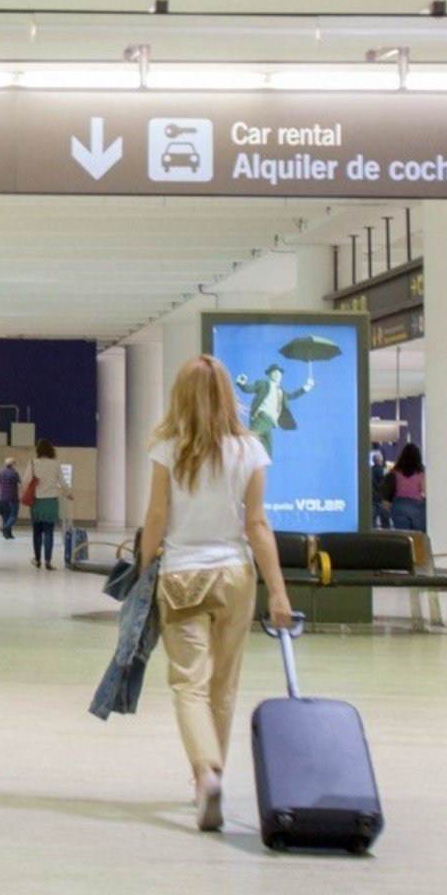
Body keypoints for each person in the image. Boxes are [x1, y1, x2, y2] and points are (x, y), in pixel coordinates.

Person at [139, 355, 295, 833]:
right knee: (222, 688)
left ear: (180, 396)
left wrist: (143, 569)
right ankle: (211, 777)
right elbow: (257, 525)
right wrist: (279, 594)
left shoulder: (167, 448)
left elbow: (158, 517)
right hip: (234, 576)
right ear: (229, 395)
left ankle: (204, 773)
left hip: (183, 576)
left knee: (188, 683)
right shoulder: (249, 451)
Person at [234, 364, 313, 458]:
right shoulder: (263, 384)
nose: (277, 375)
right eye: (274, 373)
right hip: (262, 417)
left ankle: (255, 467)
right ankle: (236, 452)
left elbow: (292, 395)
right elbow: (249, 388)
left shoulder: (281, 392)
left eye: (279, 374)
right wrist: (241, 383)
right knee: (251, 438)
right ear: (269, 375)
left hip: (271, 423)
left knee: (267, 454)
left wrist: (306, 387)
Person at [26, 439, 63, 570]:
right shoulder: (56, 464)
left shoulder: (33, 463)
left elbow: (26, 480)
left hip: (37, 501)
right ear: (51, 451)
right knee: (49, 532)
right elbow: (63, 483)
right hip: (51, 502)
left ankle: (37, 559)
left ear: (38, 450)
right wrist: (69, 494)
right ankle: (48, 560)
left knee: (37, 532)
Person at [389, 443, 428, 531]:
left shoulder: (396, 470)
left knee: (403, 535)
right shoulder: (421, 471)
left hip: (398, 504)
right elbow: (424, 490)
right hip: (416, 505)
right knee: (418, 536)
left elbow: (392, 487)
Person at [0, 457, 22, 539]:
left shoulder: (0, 472)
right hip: (13, 497)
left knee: (5, 516)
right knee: (13, 516)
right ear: (13, 464)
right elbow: (19, 485)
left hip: (2, 497)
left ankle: (8, 534)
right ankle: (4, 528)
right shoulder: (14, 473)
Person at [370, 450, 393, 529]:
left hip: (372, 499)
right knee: (386, 523)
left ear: (373, 460)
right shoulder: (385, 471)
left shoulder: (369, 471)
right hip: (383, 500)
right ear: (381, 460)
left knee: (372, 523)